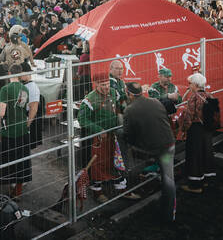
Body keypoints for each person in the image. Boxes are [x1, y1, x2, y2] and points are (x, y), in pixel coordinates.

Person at [123, 82, 176, 221]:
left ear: (129, 94)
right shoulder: (155, 101)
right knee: (168, 178)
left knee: (166, 178)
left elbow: (129, 135)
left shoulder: (130, 110)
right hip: (168, 144)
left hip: (153, 148)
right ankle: (170, 213)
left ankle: (133, 182)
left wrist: (133, 143)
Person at [77, 72, 120, 202]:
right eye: (102, 84)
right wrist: (98, 129)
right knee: (97, 164)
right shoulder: (90, 99)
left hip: (113, 135)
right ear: (95, 84)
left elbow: (120, 104)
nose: (106, 87)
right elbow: (82, 119)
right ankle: (97, 191)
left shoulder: (113, 92)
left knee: (112, 160)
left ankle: (118, 186)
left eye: (107, 83)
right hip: (98, 139)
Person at [0, 64, 32, 197]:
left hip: (8, 130)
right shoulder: (24, 89)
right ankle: (17, 191)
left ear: (9, 73)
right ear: (20, 73)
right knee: (20, 160)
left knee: (4, 160)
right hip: (22, 129)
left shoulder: (5, 89)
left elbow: (1, 112)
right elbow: (22, 107)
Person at [180, 72, 215, 193]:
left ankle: (195, 185)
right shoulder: (210, 95)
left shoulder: (193, 97)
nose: (189, 86)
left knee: (195, 155)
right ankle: (207, 180)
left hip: (196, 129)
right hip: (208, 130)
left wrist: (184, 130)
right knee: (206, 153)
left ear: (195, 84)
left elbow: (188, 117)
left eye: (190, 83)